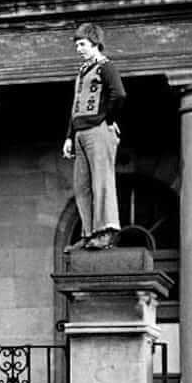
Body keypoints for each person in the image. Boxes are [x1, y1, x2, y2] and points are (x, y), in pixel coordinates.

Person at [63, 23, 126, 252]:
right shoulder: (83, 71)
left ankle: (105, 231)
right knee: (82, 186)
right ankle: (89, 233)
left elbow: (118, 94)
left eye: (82, 44)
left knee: (102, 181)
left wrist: (107, 120)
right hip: (80, 132)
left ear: (95, 43)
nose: (79, 49)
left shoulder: (105, 67)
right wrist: (69, 137)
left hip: (98, 131)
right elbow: (76, 106)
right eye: (77, 45)